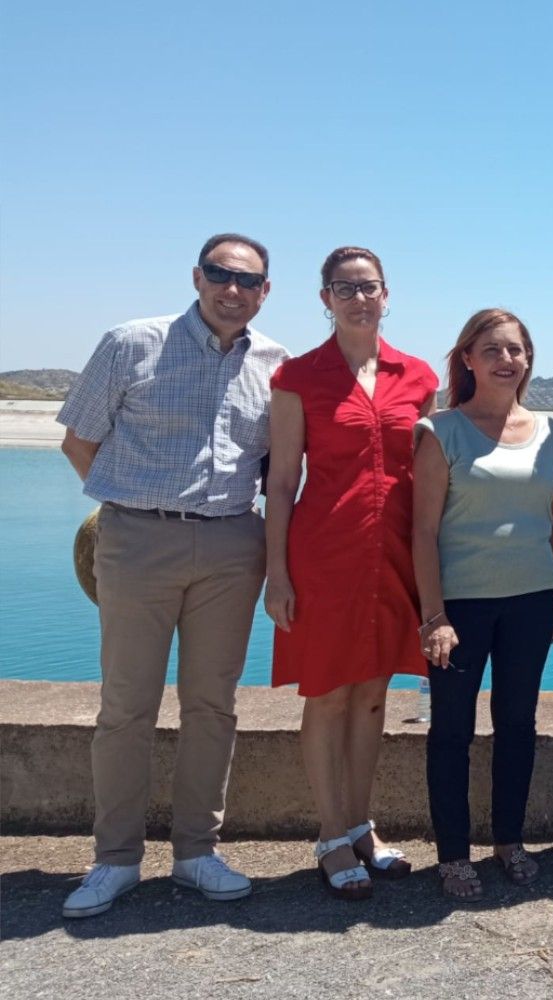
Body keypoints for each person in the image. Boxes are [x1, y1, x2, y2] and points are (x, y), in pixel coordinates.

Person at [57, 233, 288, 918]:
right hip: (137, 540)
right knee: (126, 705)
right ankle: (115, 859)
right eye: (220, 274)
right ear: (197, 276)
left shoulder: (276, 364)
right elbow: (78, 440)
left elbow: (275, 467)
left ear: (265, 291)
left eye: (248, 280)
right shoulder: (131, 343)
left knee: (212, 705)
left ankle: (196, 853)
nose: (233, 289)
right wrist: (132, 507)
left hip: (232, 545)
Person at [263, 247, 437, 900]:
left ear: (386, 295)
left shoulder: (417, 376)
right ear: (325, 299)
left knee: (372, 695)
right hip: (324, 556)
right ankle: (331, 835)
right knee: (328, 694)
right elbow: (282, 482)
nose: (359, 298)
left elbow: (427, 476)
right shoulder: (297, 377)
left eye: (369, 287)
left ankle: (362, 827)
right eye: (345, 288)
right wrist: (277, 573)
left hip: (393, 557)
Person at [412, 309, 553, 899]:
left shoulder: (552, 435)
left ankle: (509, 840)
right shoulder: (441, 431)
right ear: (468, 359)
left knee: (518, 724)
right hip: (461, 608)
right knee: (452, 730)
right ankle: (453, 855)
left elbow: (551, 520)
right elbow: (423, 531)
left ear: (528, 360)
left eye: (516, 350)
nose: (507, 360)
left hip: (531, 601)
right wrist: (433, 616)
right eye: (493, 350)